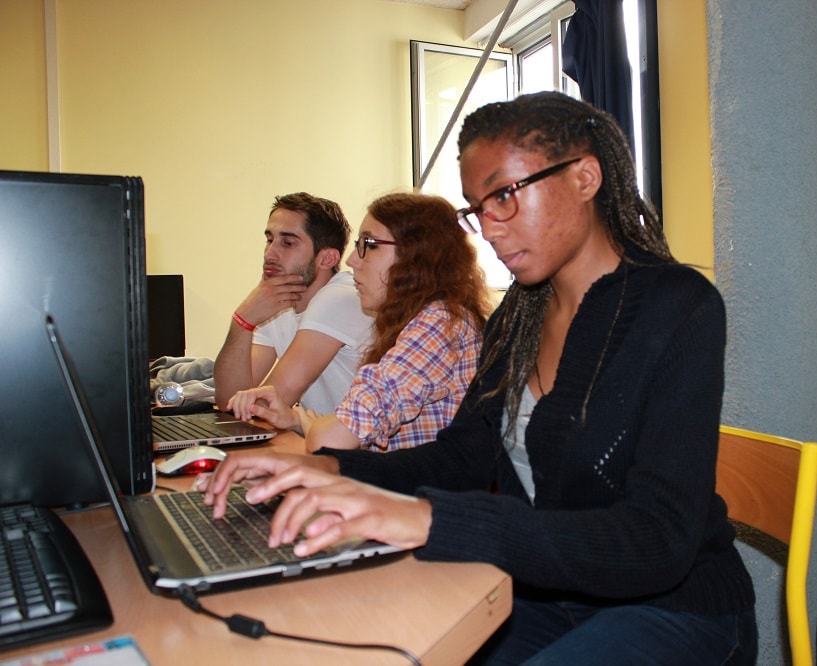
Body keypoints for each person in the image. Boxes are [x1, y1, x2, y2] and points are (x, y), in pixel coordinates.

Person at [200, 92, 757, 665]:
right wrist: (330, 469)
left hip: (676, 610)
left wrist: (433, 518)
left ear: (586, 177)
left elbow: (658, 537)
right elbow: (464, 457)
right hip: (548, 592)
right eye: (478, 208)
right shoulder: (521, 313)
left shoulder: (677, 306)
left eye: (505, 196)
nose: (489, 227)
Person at [226, 192, 492, 453]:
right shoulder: (420, 320)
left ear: (417, 255)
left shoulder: (439, 326)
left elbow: (333, 437)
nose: (352, 261)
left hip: (414, 493)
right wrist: (296, 419)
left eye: (369, 244)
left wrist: (305, 421)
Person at [212, 192, 372, 415]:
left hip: (365, 447)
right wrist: (241, 322)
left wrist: (245, 320)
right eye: (269, 239)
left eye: (287, 243)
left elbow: (267, 407)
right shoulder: (277, 304)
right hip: (322, 439)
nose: (270, 253)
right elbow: (230, 403)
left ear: (327, 259)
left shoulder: (340, 297)